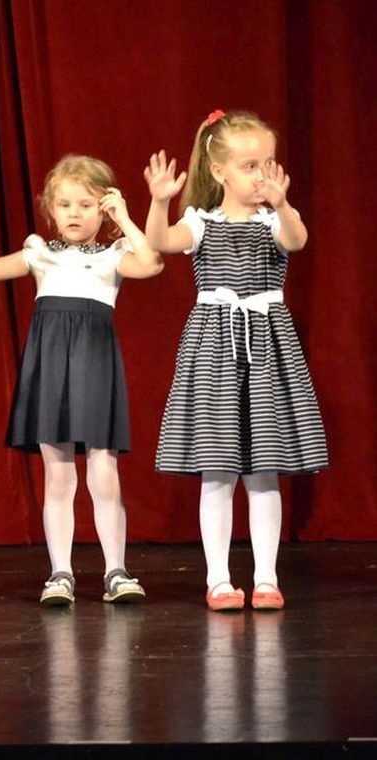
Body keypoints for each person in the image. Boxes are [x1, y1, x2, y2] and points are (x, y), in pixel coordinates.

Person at [0, 154, 163, 607]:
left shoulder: (114, 255)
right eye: (65, 204)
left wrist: (124, 217)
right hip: (49, 369)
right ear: (51, 208)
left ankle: (116, 570)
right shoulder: (39, 253)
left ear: (103, 208)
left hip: (94, 365)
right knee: (58, 474)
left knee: (104, 472)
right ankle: (60, 573)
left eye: (87, 204)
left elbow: (151, 264)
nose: (74, 213)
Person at [146, 110, 328, 611]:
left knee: (264, 470)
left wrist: (284, 202)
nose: (261, 175)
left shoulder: (275, 220)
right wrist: (160, 202)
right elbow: (161, 243)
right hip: (216, 351)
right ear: (219, 169)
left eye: (268, 163)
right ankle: (219, 580)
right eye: (250, 165)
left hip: (268, 347)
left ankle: (267, 577)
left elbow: (297, 240)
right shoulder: (201, 222)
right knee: (218, 470)